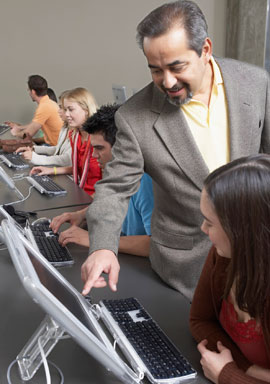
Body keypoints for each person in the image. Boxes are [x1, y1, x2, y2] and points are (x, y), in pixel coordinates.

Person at [81, 0, 270, 300]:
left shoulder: (256, 84)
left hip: (256, 258)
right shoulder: (133, 117)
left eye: (176, 66)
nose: (166, 81)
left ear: (205, 49)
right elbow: (115, 189)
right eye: (155, 70)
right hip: (184, 269)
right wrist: (104, 246)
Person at [190, 154, 270, 384]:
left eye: (210, 222)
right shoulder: (224, 254)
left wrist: (227, 374)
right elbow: (200, 321)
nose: (202, 228)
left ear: (244, 232)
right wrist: (250, 369)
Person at [50, 104, 154, 258]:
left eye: (99, 148)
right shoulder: (118, 171)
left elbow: (156, 245)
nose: (94, 155)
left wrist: (98, 241)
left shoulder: (145, 180)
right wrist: (81, 215)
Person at [30, 87, 101, 196]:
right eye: (65, 109)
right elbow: (80, 168)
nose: (66, 114)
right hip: (80, 193)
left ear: (86, 110)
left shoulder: (99, 140)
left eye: (71, 109)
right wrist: (51, 170)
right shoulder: (75, 136)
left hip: (95, 198)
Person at [15, 90, 72, 166]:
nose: (58, 111)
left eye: (63, 108)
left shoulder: (81, 133)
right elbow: (57, 149)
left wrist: (36, 158)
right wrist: (34, 149)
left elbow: (67, 160)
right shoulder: (65, 128)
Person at [6, 75, 62, 146]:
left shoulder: (44, 107)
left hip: (55, 148)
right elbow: (34, 125)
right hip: (54, 145)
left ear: (33, 92)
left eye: (28, 90)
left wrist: (15, 133)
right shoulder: (48, 102)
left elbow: (28, 134)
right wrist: (18, 127)